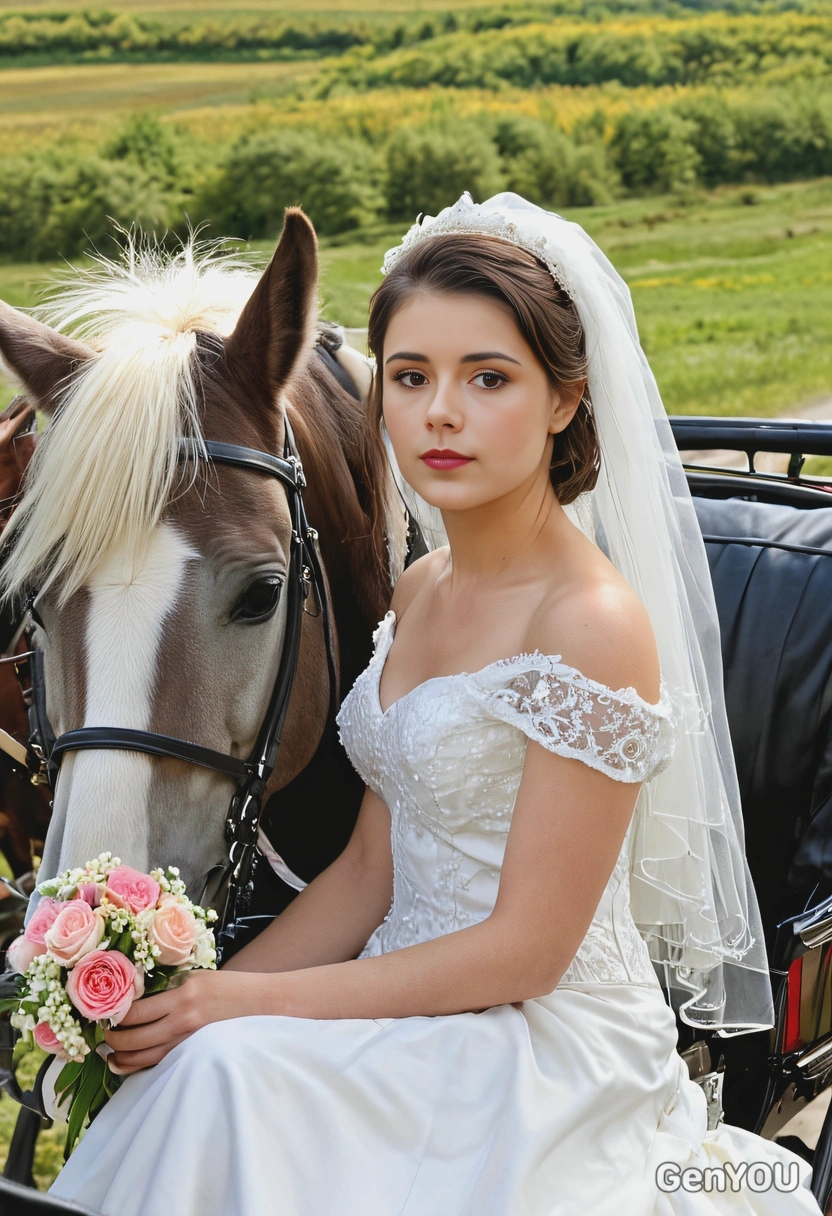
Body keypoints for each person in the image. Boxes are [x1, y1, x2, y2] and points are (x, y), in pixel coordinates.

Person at [48, 193, 824, 1216]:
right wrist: (191, 1008)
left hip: (543, 1037)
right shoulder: (421, 590)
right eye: (409, 377)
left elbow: (527, 948)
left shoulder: (588, 618)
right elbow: (371, 868)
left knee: (227, 1074)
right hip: (403, 994)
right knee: (197, 1064)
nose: (439, 413)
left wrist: (246, 998)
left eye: (487, 378)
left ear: (563, 400)